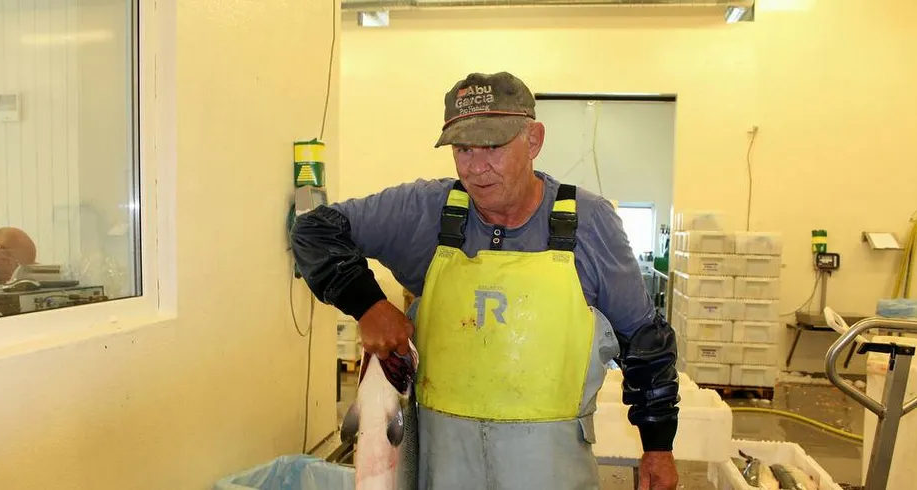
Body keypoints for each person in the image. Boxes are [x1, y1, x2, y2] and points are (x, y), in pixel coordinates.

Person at [290, 71, 679, 490]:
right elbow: (314, 230)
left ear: (533, 140)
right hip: (445, 471)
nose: (476, 168)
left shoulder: (589, 223)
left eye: (492, 147)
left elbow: (644, 345)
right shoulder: (426, 211)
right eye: (463, 149)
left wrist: (657, 448)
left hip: (551, 473)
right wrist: (367, 303)